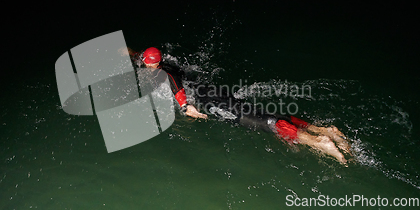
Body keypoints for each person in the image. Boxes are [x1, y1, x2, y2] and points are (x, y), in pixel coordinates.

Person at [133, 47, 351, 165]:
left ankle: (319, 142)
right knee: (257, 112)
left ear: (151, 64)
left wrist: (185, 108)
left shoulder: (162, 72)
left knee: (258, 121)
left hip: (208, 102)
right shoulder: (165, 63)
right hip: (214, 92)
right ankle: (323, 130)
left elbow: (176, 88)